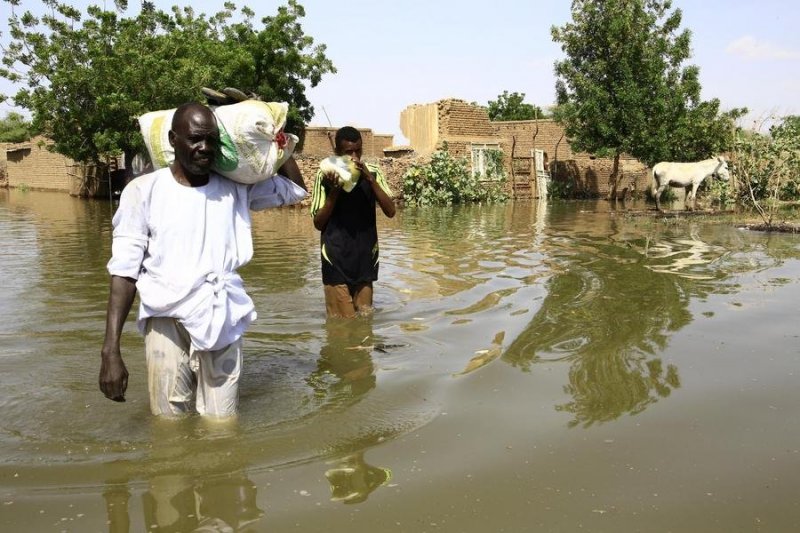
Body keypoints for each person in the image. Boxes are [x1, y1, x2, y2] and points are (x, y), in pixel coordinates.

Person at [98, 102, 307, 417]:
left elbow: (295, 190)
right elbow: (124, 273)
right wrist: (109, 350)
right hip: (166, 318)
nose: (204, 147)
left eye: (211, 140)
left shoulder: (236, 188)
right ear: (172, 139)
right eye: (195, 139)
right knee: (169, 423)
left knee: (221, 422)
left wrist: (274, 139)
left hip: (221, 313)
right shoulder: (143, 191)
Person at [310, 126, 396, 318]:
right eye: (349, 152)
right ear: (337, 153)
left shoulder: (373, 172)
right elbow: (318, 223)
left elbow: (391, 211)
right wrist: (335, 190)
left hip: (366, 255)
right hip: (336, 256)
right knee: (342, 324)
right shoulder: (324, 176)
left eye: (359, 151)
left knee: (365, 321)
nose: (355, 156)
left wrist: (370, 180)